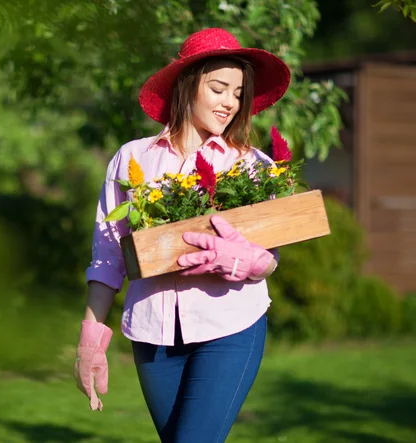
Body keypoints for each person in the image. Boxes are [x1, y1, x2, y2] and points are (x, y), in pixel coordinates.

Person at [74, 28, 291, 443]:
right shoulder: (132, 159)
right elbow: (108, 254)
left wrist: (254, 263)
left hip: (231, 326)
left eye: (238, 92)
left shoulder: (254, 167)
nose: (230, 102)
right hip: (153, 335)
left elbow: (272, 252)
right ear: (188, 86)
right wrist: (90, 337)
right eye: (218, 88)